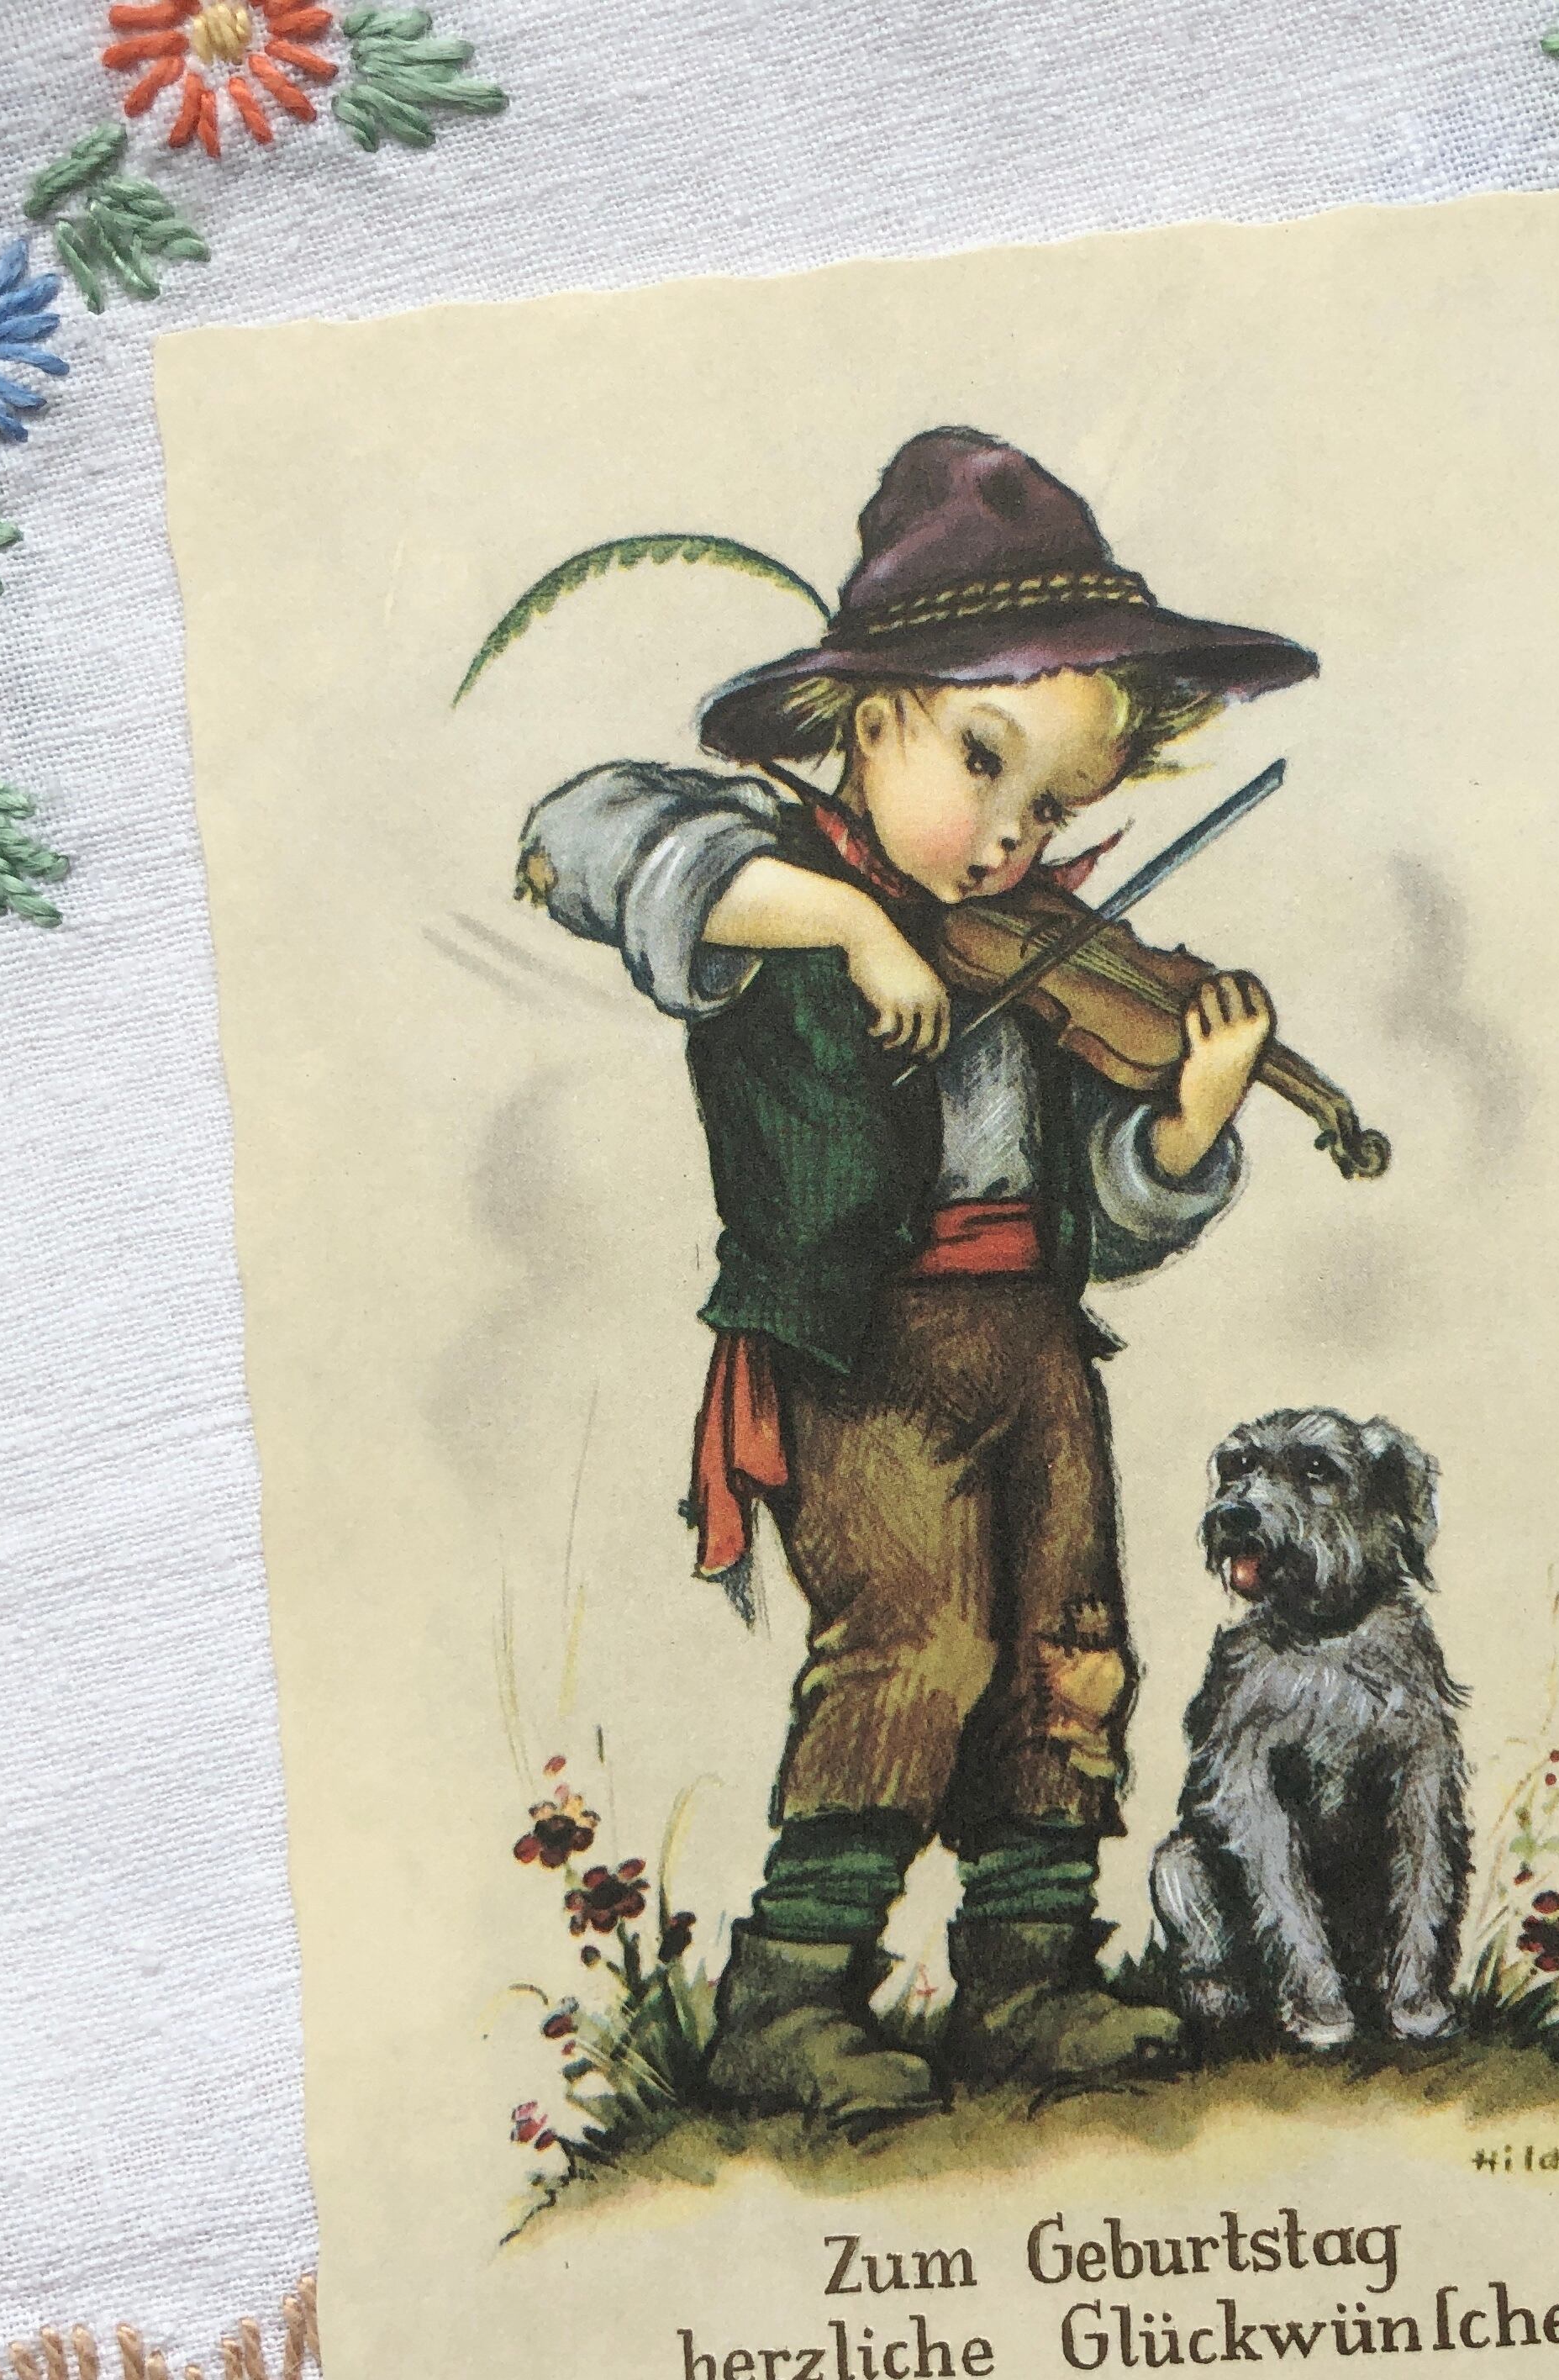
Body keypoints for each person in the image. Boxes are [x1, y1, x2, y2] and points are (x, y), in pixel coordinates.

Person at [516, 426, 1317, 2122]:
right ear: (870, 719)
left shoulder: (1034, 945)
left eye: (1054, 808)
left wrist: (1185, 1121)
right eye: (983, 762)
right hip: (867, 1343)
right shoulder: (772, 892)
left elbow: (1108, 1204)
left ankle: (1032, 1978)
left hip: (1035, 1339)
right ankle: (788, 2001)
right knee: (917, 1647)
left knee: (1067, 1650)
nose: (1012, 840)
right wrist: (853, 924)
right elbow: (579, 838)